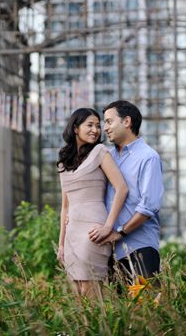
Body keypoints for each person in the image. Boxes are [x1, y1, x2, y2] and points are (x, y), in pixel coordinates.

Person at [89, 100, 164, 282]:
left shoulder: (148, 157)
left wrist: (120, 233)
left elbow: (148, 207)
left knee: (145, 308)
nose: (104, 128)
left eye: (108, 121)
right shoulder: (107, 156)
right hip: (110, 252)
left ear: (127, 121)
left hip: (140, 248)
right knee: (120, 310)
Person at [57, 107, 128, 297]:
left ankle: (101, 326)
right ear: (75, 128)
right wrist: (61, 244)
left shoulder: (100, 151)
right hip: (72, 233)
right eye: (90, 125)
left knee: (91, 291)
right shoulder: (63, 162)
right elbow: (65, 206)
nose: (96, 130)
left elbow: (122, 188)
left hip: (93, 230)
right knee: (76, 293)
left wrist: (108, 226)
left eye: (98, 125)